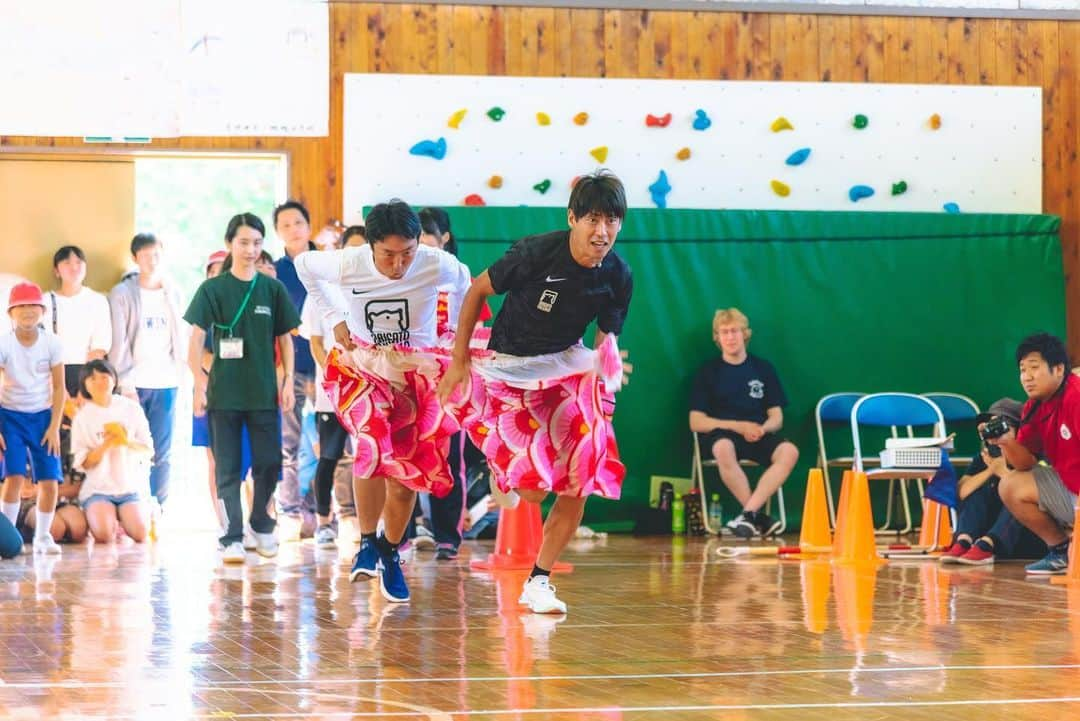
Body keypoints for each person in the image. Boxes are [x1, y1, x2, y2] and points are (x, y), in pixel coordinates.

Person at [438, 170, 633, 615]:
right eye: (593, 219)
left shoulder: (619, 275)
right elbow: (476, 291)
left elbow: (605, 340)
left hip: (564, 367)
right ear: (573, 218)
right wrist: (460, 359)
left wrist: (606, 378)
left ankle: (539, 581)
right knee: (529, 494)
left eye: (613, 221)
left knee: (582, 472)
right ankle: (501, 470)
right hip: (509, 370)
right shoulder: (536, 252)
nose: (602, 231)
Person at [296, 199, 472, 603]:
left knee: (406, 479)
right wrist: (334, 317)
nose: (398, 265)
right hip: (367, 368)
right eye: (388, 255)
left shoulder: (435, 262)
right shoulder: (347, 263)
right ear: (371, 246)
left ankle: (389, 552)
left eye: (406, 254)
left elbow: (465, 282)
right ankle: (365, 540)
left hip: (416, 374)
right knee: (371, 446)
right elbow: (305, 265)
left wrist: (452, 339)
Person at [184, 213, 299, 563]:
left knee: (268, 464)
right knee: (228, 468)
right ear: (229, 244)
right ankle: (232, 536)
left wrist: (289, 380)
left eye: (257, 243)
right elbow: (195, 343)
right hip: (224, 395)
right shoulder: (212, 289)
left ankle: (261, 523)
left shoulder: (272, 289)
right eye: (244, 242)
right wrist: (200, 383)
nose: (251, 250)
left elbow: (286, 339)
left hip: (264, 393)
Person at [687, 308, 798, 539]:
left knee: (789, 452)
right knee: (723, 448)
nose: (730, 337)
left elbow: (776, 417)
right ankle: (755, 516)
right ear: (717, 337)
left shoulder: (763, 368)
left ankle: (748, 514)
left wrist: (762, 429)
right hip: (724, 434)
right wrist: (738, 426)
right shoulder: (708, 372)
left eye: (734, 331)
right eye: (724, 332)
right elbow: (696, 422)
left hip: (758, 434)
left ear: (745, 334)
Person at [108, 233, 186, 510]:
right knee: (129, 448)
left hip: (166, 381)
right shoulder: (122, 293)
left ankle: (158, 507)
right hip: (133, 383)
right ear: (135, 258)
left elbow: (181, 337)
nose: (152, 261)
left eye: (156, 254)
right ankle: (132, 508)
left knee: (162, 451)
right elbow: (119, 341)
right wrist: (123, 382)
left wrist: (182, 374)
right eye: (145, 255)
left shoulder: (172, 292)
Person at [992, 333, 1079, 575]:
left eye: (1034, 368)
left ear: (1059, 369)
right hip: (1072, 489)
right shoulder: (1034, 406)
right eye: (1022, 370)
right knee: (1011, 484)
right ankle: (1061, 551)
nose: (1026, 377)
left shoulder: (1076, 397)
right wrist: (1006, 441)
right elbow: (1024, 463)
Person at [0, 282, 66, 554]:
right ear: (10, 313)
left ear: (42, 311)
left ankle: (42, 536)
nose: (27, 311)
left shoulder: (52, 342)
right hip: (10, 415)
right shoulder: (4, 342)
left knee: (49, 480)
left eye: (33, 306)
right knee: (13, 477)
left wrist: (53, 426)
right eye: (20, 307)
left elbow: (60, 387)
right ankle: (9, 537)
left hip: (42, 416)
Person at [940, 398, 1046, 565]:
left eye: (1001, 426)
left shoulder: (1032, 454)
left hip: (1023, 536)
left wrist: (1003, 472)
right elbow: (961, 493)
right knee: (978, 492)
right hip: (984, 532)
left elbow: (1034, 493)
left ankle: (988, 545)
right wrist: (991, 470)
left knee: (1016, 497)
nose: (996, 432)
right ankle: (964, 540)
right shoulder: (987, 456)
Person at [272, 201, 319, 538]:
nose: (293, 229)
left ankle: (322, 511)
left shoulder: (327, 264)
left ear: (308, 226)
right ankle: (290, 511)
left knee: (331, 447)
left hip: (327, 369)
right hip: (288, 370)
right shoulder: (275, 272)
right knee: (289, 444)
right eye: (285, 225)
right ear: (278, 232)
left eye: (298, 222)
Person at [71, 359, 153, 544]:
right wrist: (107, 444)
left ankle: (128, 518)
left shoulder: (131, 409)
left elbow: (148, 449)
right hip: (98, 489)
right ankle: (106, 518)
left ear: (114, 380)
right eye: (92, 378)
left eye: (104, 376)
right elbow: (83, 463)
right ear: (85, 385)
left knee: (140, 534)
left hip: (130, 488)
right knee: (103, 535)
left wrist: (125, 442)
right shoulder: (83, 417)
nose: (99, 382)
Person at [44, 245, 112, 398]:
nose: (74, 267)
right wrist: (57, 388)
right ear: (56, 271)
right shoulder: (46, 301)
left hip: (88, 374)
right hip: (53, 375)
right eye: (67, 263)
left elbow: (99, 347)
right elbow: (43, 349)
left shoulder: (98, 301)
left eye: (79, 262)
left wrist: (86, 388)